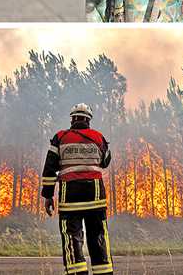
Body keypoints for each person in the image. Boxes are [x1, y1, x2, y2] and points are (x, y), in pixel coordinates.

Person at [41, 103, 113, 275]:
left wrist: (48, 195)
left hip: (70, 196)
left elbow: (49, 170)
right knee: (98, 236)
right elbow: (105, 162)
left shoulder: (60, 137)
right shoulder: (98, 137)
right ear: (89, 120)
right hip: (95, 196)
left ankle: (76, 273)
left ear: (72, 119)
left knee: (71, 237)